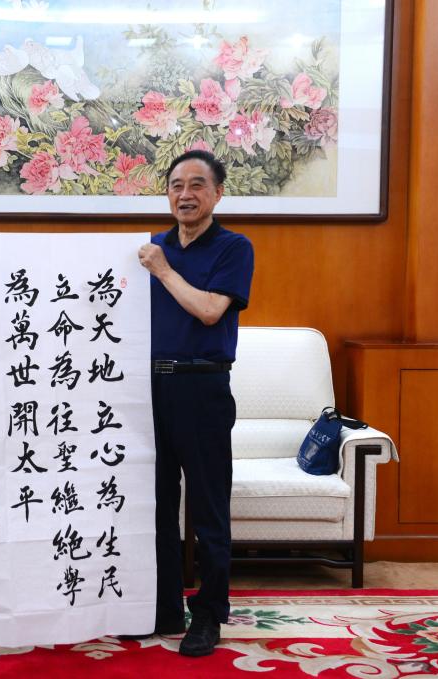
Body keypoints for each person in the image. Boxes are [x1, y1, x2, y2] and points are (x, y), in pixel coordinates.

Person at [136, 149, 254, 657]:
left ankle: (207, 614)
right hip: (145, 392)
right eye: (176, 185)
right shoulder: (150, 246)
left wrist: (163, 271)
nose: (185, 195)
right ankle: (162, 607)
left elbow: (209, 311)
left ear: (217, 193)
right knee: (154, 506)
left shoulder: (233, 248)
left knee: (208, 508)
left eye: (197, 185)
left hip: (202, 389)